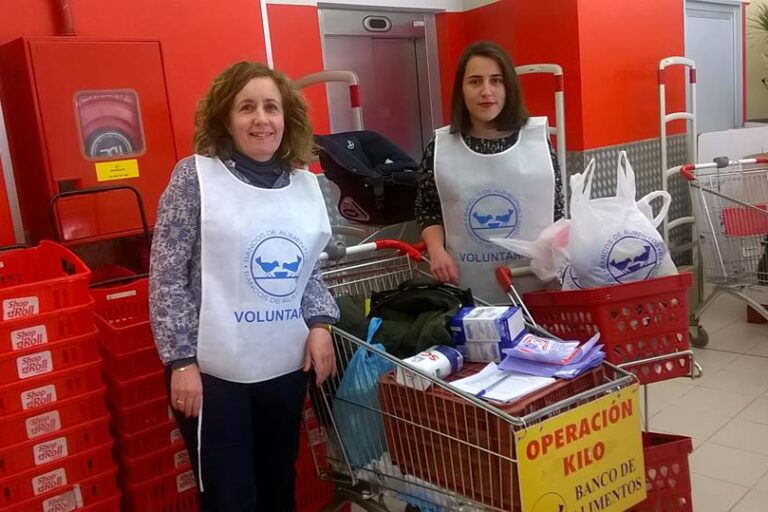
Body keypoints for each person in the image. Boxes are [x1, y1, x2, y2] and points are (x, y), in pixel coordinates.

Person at [149, 61, 339, 512]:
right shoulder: (194, 178)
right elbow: (167, 275)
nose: (261, 119)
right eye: (247, 107)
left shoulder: (306, 187)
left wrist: (320, 324)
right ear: (225, 119)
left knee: (277, 484)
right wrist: (181, 362)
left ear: (286, 118)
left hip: (282, 368)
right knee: (229, 496)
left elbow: (309, 270)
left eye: (271, 107)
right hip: (213, 376)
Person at [415, 41, 565, 304]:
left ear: (508, 87)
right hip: (468, 287)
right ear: (461, 90)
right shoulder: (439, 148)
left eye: (496, 81)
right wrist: (437, 251)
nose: (486, 91)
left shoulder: (537, 142)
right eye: (475, 82)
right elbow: (427, 211)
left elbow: (557, 211)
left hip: (537, 285)